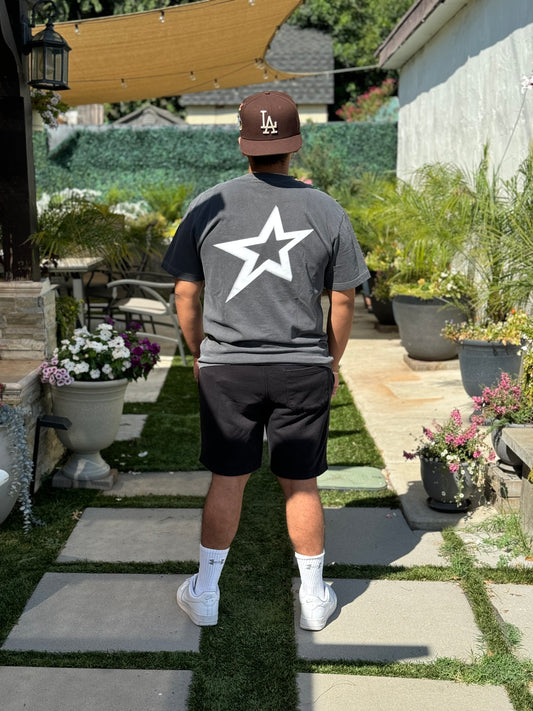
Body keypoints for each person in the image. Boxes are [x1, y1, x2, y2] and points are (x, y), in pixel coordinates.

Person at [162, 90, 369, 631]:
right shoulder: (327, 210)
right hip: (303, 366)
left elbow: (185, 293)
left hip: (227, 367)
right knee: (301, 484)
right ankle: (314, 598)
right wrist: (330, 361)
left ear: (242, 143)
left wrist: (201, 353)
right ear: (295, 145)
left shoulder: (207, 206)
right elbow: (343, 300)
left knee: (228, 478)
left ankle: (205, 593)